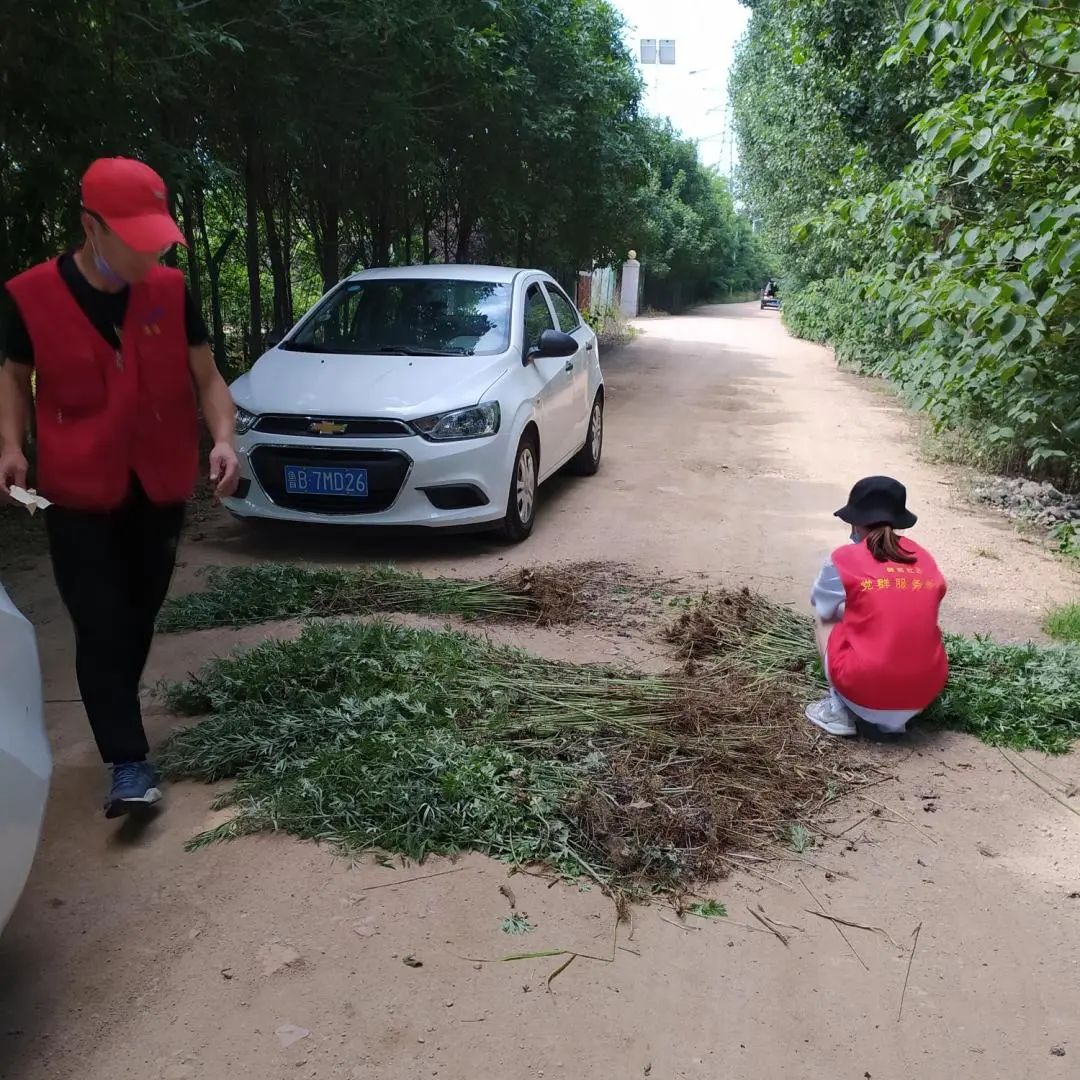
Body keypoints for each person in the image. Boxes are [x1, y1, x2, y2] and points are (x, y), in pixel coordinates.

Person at [0, 157, 240, 817]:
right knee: (99, 621)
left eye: (157, 239)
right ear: (91, 227)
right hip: (75, 488)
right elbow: (14, 377)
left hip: (158, 484)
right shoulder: (31, 296)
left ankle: (118, 716)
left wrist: (224, 438)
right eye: (136, 240)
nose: (150, 253)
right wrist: (11, 447)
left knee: (136, 615)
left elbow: (208, 377)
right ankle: (127, 761)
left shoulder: (169, 290)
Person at [806, 476, 948, 739]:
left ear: (855, 521)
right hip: (923, 692)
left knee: (827, 620)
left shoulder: (843, 558)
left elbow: (823, 607)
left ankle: (838, 709)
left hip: (866, 687)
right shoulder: (924, 557)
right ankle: (894, 721)